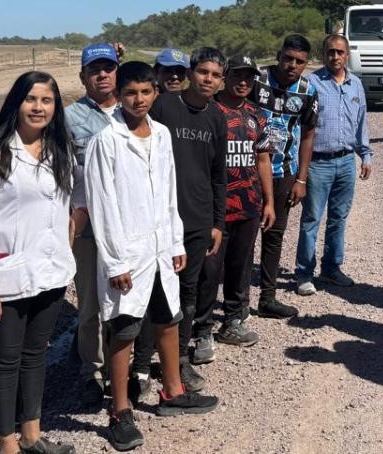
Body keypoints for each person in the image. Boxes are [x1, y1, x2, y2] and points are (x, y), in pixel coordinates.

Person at [84, 61, 218, 451]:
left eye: (145, 92)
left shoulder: (161, 134)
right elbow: (101, 205)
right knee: (124, 329)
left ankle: (173, 392)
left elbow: (168, 191)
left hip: (161, 249)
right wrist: (115, 262)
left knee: (167, 319)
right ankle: (120, 410)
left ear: (156, 93)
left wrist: (175, 242)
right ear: (118, 96)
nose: (138, 100)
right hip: (127, 253)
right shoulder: (105, 142)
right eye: (130, 93)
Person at [0, 72, 77, 454]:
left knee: (35, 357)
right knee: (5, 363)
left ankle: (31, 435)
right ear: (16, 103)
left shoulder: (59, 150)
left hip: (51, 275)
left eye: (47, 100)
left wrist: (66, 246)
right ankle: (8, 445)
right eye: (31, 99)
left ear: (55, 107)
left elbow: (65, 210)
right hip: (6, 279)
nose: (39, 107)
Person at [130, 48, 228, 395]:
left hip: (198, 221)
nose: (208, 79)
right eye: (203, 72)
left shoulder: (217, 117)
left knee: (187, 296)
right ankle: (141, 368)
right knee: (152, 295)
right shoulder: (164, 106)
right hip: (158, 221)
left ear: (221, 81)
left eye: (215, 75)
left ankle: (180, 361)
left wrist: (218, 222)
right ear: (191, 72)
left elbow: (219, 175)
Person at [194, 54, 275, 353]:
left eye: (249, 77)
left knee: (241, 268)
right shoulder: (208, 110)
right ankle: (202, 330)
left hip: (249, 205)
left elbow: (264, 158)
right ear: (225, 76)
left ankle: (233, 321)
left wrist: (269, 202)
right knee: (208, 271)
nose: (243, 82)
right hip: (214, 209)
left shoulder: (259, 114)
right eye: (237, 76)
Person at [294, 35, 372, 296]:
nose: (335, 57)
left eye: (339, 52)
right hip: (318, 163)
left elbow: (362, 122)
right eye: (330, 52)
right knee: (311, 219)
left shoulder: (356, 85)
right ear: (323, 54)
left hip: (346, 162)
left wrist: (366, 155)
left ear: (347, 55)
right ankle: (304, 273)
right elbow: (301, 127)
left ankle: (331, 268)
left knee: (339, 218)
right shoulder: (312, 83)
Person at [65, 42, 120, 407]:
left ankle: (127, 367)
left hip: (127, 228)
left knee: (126, 302)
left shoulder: (135, 110)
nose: (102, 74)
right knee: (89, 308)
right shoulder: (68, 118)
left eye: (108, 68)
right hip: (86, 227)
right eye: (94, 69)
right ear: (83, 75)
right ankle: (92, 371)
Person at [249, 34, 318, 319]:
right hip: (249, 172)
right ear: (279, 56)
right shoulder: (257, 80)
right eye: (287, 59)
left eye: (299, 62)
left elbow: (309, 134)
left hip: (284, 172)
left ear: (306, 64)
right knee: (244, 237)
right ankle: (237, 303)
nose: (292, 65)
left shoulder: (307, 90)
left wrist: (301, 179)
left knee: (274, 236)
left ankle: (268, 297)